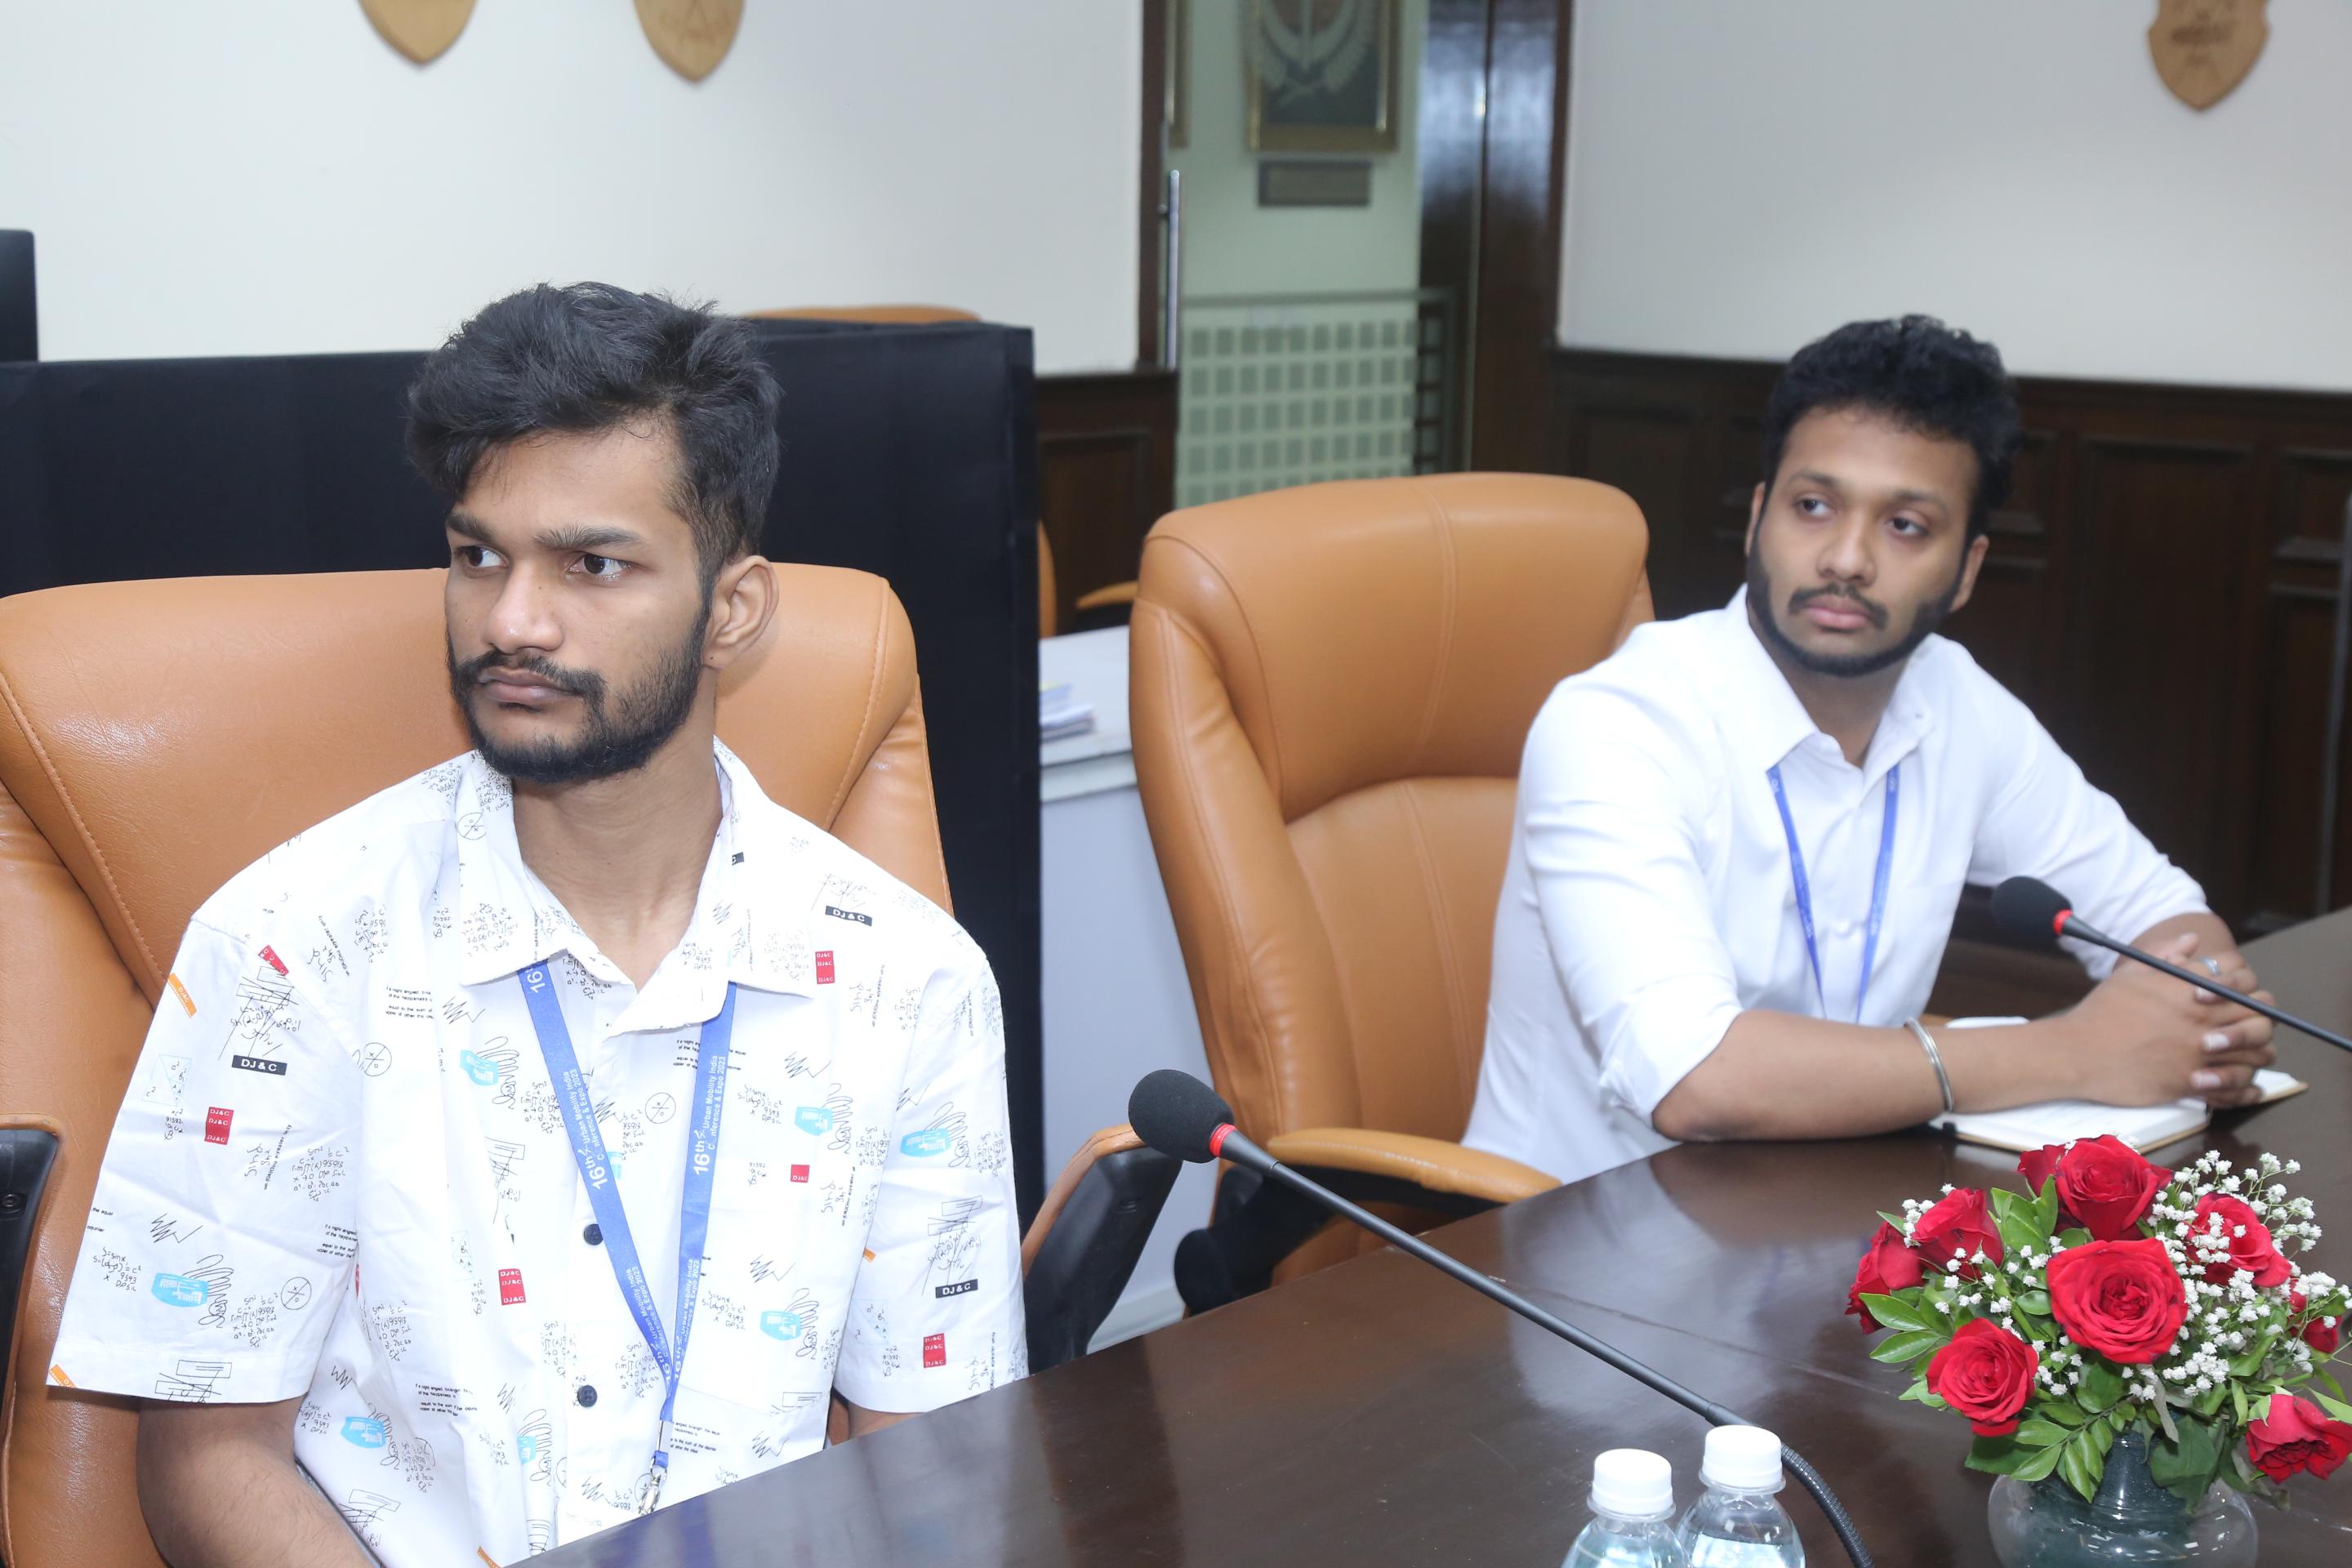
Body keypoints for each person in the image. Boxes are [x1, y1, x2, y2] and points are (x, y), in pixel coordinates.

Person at [46, 283, 1025, 1566]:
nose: (513, 621)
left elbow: (939, 1462)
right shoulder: (291, 946)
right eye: (478, 557)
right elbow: (205, 1459)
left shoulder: (908, 979)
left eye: (592, 565)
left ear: (733, 609)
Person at [1463, 314, 2277, 1187]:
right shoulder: (1619, 725)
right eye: (1813, 507)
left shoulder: (1956, 703)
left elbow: (2162, 916)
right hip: (1585, 1228)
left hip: (1837, 1200)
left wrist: (2201, 1019)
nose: (1846, 559)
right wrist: (2080, 1051)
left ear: (1967, 570)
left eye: (1906, 526)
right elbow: (1696, 1079)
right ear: (1757, 520)